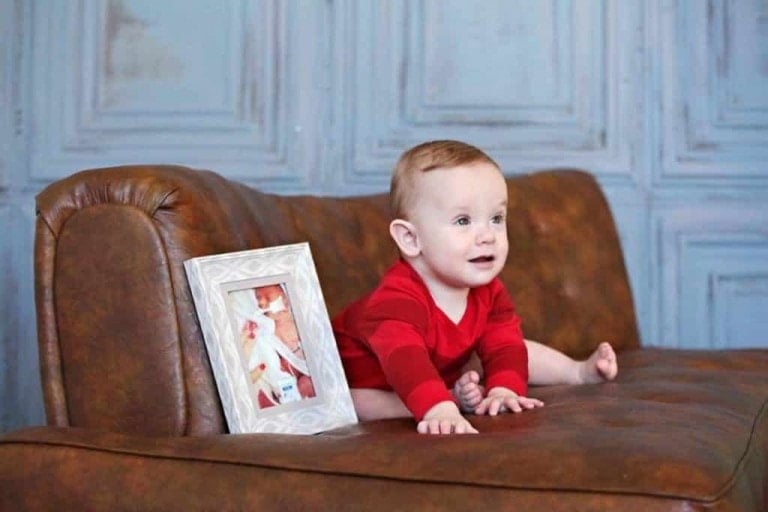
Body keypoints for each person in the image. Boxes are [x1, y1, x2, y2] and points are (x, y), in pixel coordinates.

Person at [332, 140, 617, 435]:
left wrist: (504, 390)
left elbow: (504, 345)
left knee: (517, 346)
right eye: (463, 220)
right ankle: (446, 398)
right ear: (410, 239)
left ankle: (577, 372)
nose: (487, 236)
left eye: (496, 218)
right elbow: (405, 361)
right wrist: (439, 408)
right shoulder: (396, 300)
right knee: (355, 403)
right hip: (374, 380)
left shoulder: (489, 291)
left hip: (440, 370)